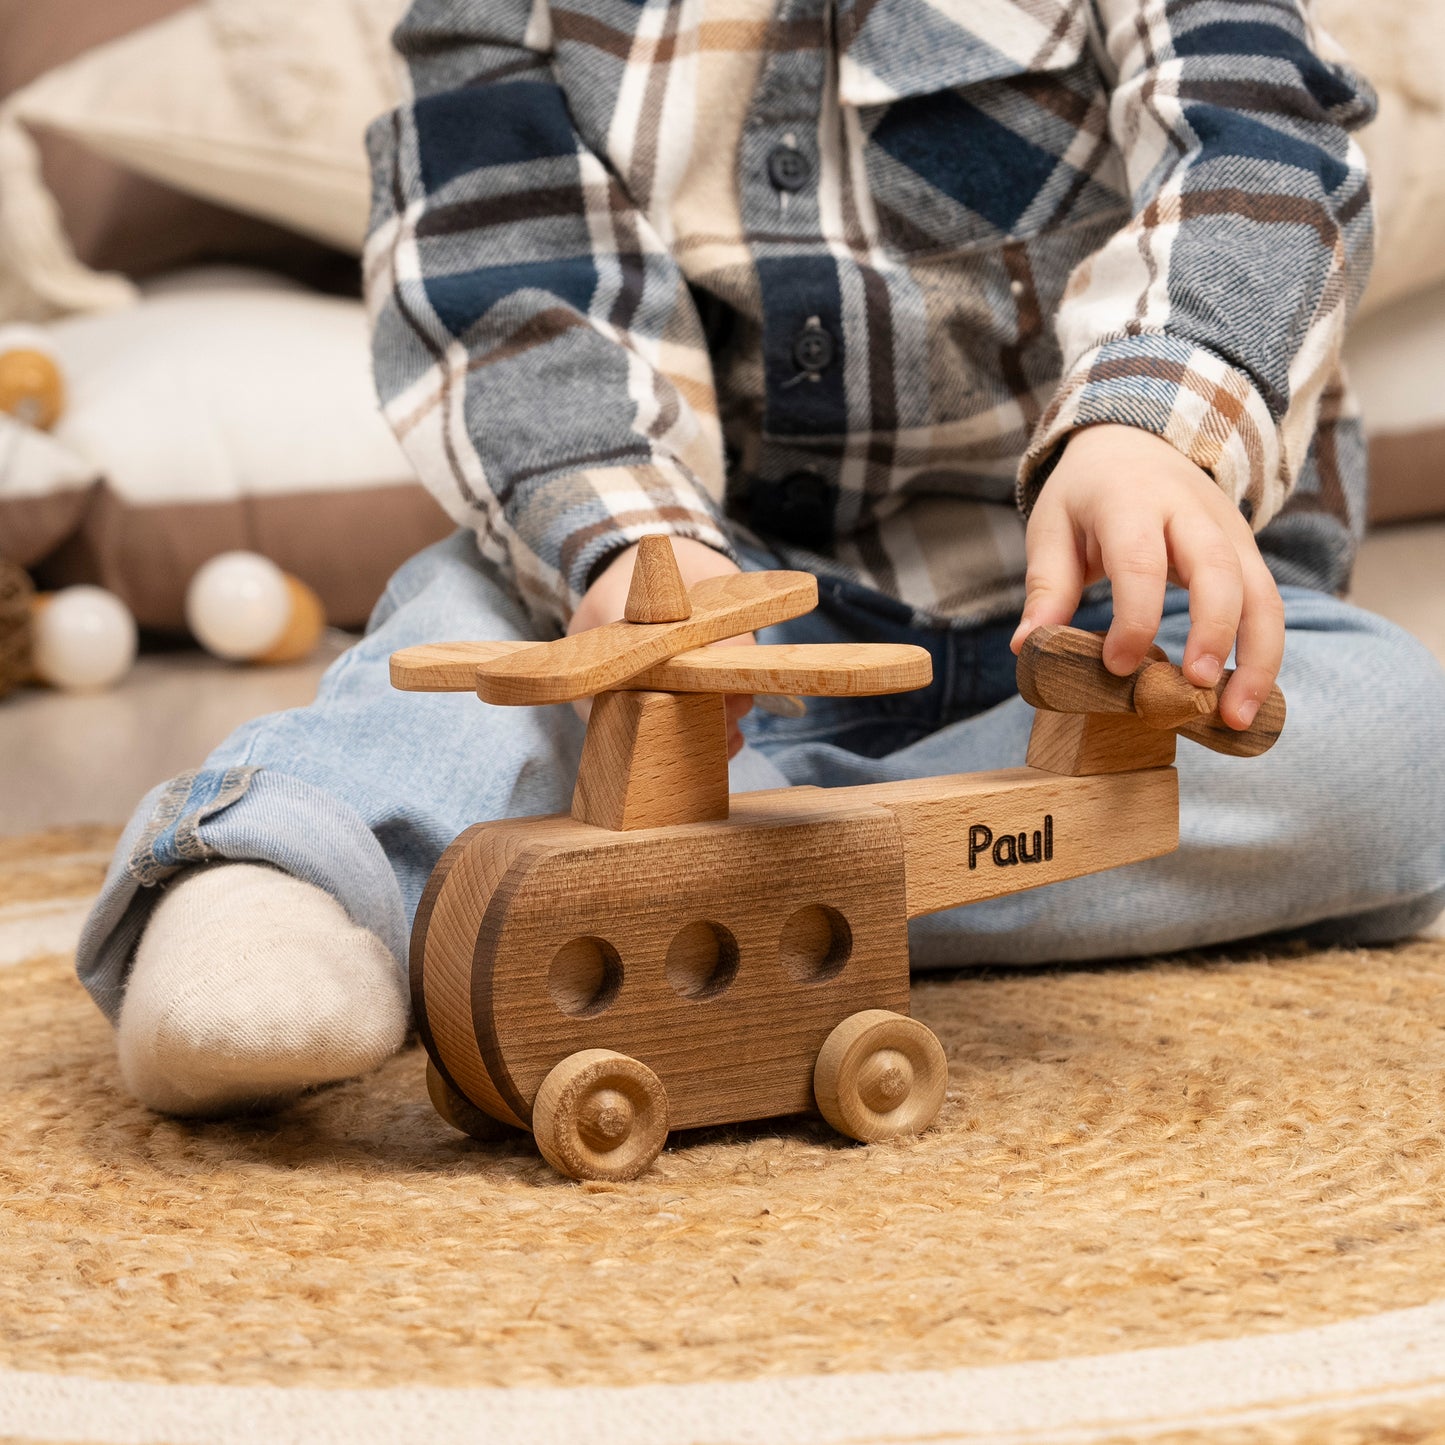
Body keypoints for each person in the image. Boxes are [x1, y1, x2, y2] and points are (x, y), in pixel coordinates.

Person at [78, 0, 1445, 1116]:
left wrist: (1154, 422)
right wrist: (636, 557)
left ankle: (640, 871)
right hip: (723, 604)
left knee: (1387, 741)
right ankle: (294, 872)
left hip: (1096, 627)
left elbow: (1257, 147)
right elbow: (514, 302)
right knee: (466, 619)